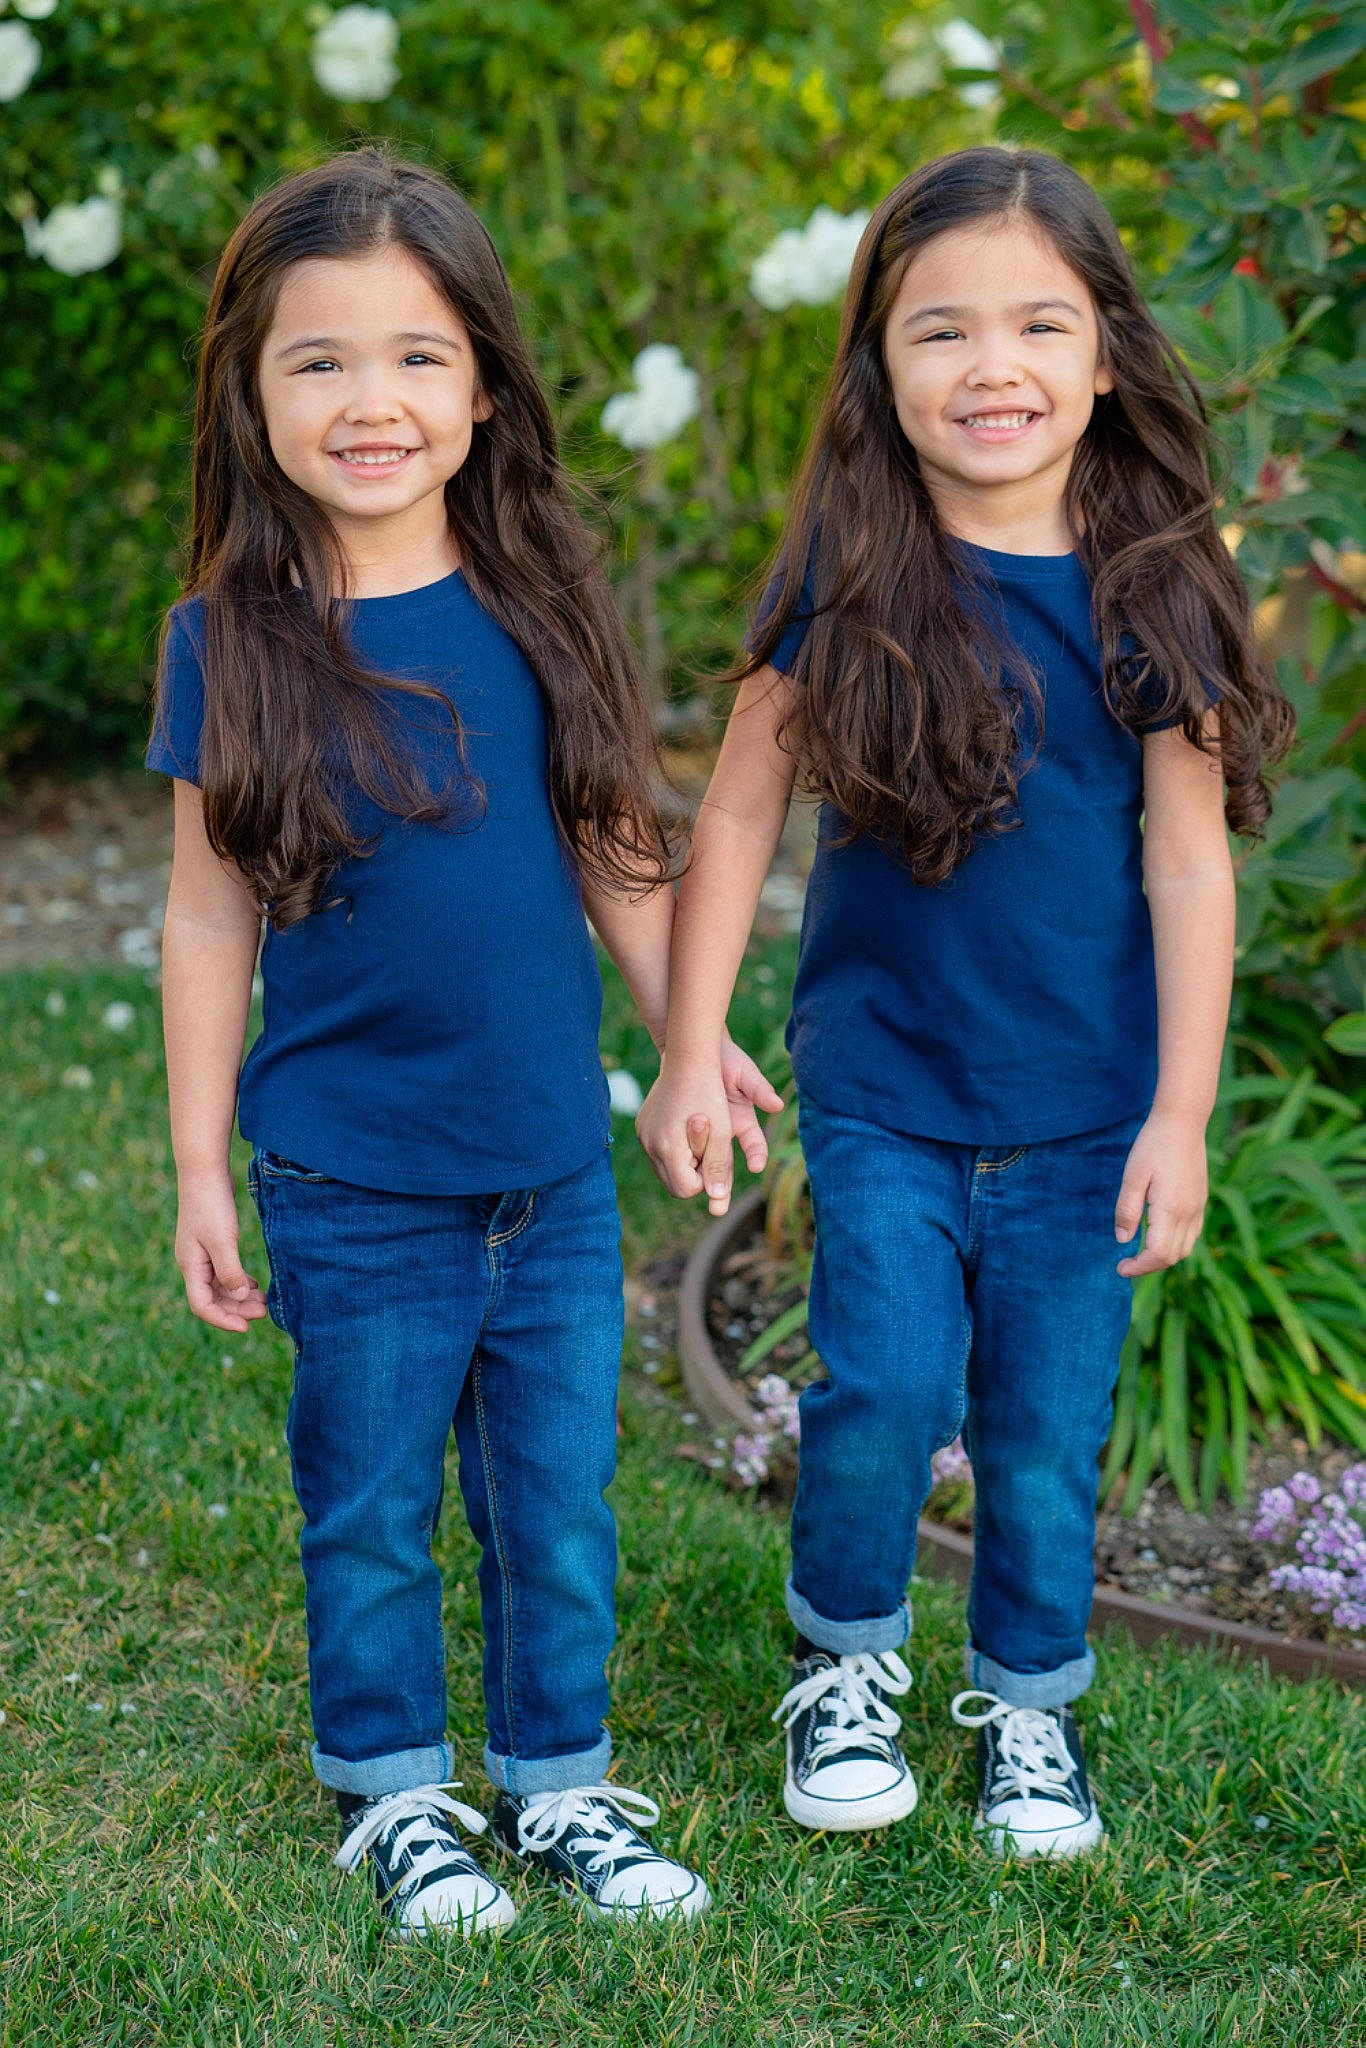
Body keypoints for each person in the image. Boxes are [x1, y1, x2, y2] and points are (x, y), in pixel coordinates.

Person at [150, 147, 778, 1937]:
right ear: (250, 395)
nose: (373, 402)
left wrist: (685, 1038)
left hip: (549, 1174)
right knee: (366, 1508)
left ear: (485, 385)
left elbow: (613, 844)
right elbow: (206, 916)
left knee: (553, 1503)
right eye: (319, 360)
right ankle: (394, 1797)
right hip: (350, 1185)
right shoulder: (227, 644)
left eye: (417, 356)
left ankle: (558, 1784)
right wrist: (198, 1164)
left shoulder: (535, 604)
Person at [638, 146, 1293, 1859]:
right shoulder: (849, 574)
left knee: (1044, 1434)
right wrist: (690, 1037)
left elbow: (1187, 864)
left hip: (1088, 1108)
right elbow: (737, 815)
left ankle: (1028, 1709)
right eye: (940, 329)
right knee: (884, 1393)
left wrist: (1180, 1112)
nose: (990, 367)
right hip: (885, 1089)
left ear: (1106, 354)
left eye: (1036, 325)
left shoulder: (1154, 582)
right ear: (877, 361)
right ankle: (843, 1662)